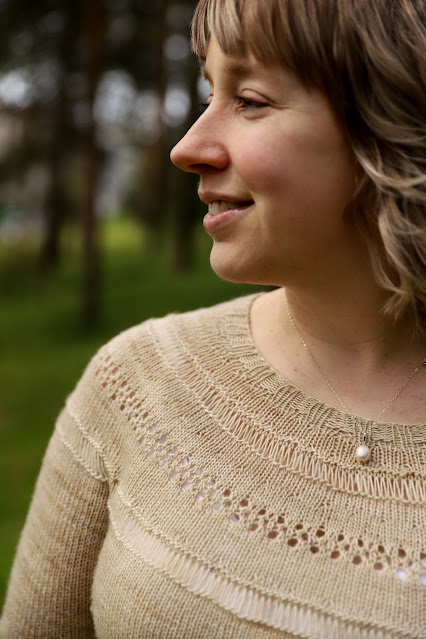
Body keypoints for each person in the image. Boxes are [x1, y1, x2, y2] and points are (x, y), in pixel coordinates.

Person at [1, 0, 425, 636]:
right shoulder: (139, 385)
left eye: (249, 100)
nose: (187, 148)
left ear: (394, 122)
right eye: (209, 93)